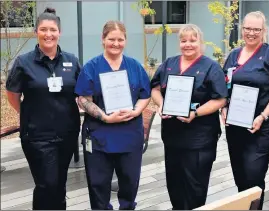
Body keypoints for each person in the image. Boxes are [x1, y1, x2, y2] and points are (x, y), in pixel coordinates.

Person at [5, 7, 81, 210]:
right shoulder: (24, 62)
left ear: (59, 32)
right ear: (36, 32)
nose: (48, 34)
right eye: (44, 29)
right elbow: (12, 94)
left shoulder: (71, 61)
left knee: (60, 183)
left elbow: (82, 93)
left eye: (53, 30)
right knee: (46, 183)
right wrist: (27, 114)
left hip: (67, 133)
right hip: (37, 136)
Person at [75, 20, 150, 210]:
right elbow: (83, 99)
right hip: (100, 135)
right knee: (98, 185)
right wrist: (106, 117)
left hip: (129, 133)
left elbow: (145, 95)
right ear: (103, 39)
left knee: (129, 182)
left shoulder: (135, 66)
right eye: (111, 39)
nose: (115, 44)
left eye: (120, 39)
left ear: (125, 40)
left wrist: (136, 111)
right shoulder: (91, 67)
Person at [150, 24, 227, 210]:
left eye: (193, 40)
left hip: (199, 138)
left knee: (195, 186)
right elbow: (155, 88)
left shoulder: (211, 67)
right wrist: (161, 104)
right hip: (173, 136)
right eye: (184, 40)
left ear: (200, 42)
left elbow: (221, 99)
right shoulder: (169, 64)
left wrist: (196, 113)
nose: (188, 44)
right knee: (174, 183)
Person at [221, 11, 269, 210]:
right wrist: (224, 108)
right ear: (242, 29)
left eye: (256, 29)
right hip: (235, 126)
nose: (251, 33)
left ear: (264, 31)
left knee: (253, 175)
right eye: (247, 28)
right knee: (240, 177)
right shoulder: (234, 55)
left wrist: (263, 115)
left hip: (263, 127)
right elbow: (225, 85)